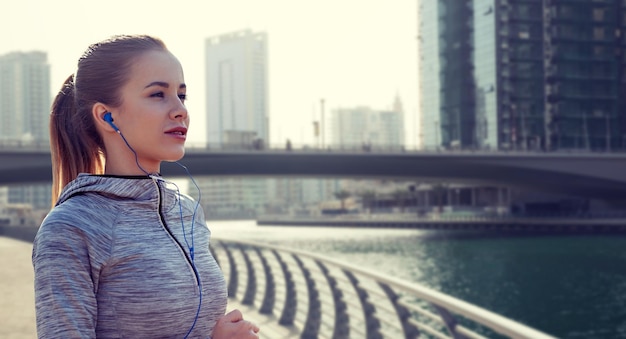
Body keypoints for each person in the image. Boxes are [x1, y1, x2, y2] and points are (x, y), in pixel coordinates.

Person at [32, 35, 260, 338]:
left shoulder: (187, 212)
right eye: (157, 94)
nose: (180, 110)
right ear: (107, 116)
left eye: (182, 95)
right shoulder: (71, 227)